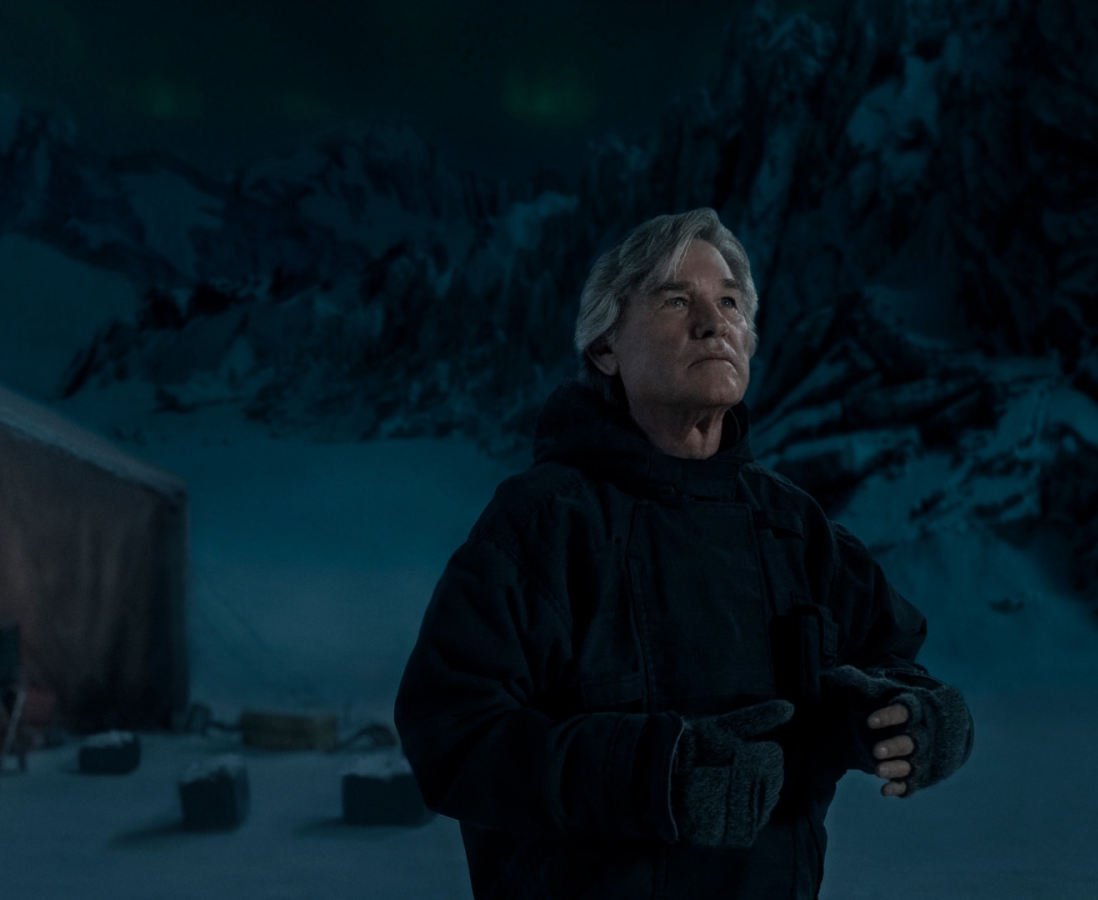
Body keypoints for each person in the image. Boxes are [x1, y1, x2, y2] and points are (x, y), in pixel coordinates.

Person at [394, 209, 973, 899]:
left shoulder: (794, 526)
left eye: (729, 302)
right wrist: (656, 775)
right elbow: (451, 734)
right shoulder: (544, 522)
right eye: (676, 300)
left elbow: (887, 658)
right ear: (605, 348)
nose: (713, 323)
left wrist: (911, 716)